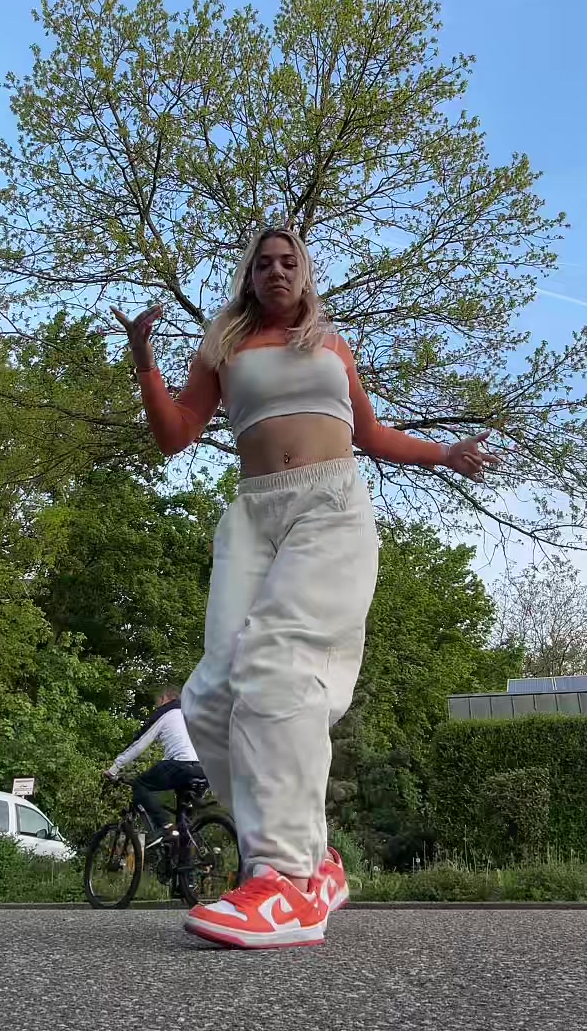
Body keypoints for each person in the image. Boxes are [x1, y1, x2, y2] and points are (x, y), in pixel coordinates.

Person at [111, 228, 499, 949]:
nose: (276, 270)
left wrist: (445, 453)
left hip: (329, 505)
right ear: (248, 277)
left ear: (305, 273)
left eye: (289, 261)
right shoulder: (224, 345)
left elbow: (373, 436)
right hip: (254, 516)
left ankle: (284, 879)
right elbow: (175, 435)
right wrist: (144, 363)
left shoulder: (331, 344)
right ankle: (315, 860)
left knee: (278, 666)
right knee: (212, 695)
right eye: (263, 263)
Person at [104, 686, 207, 847]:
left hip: (181, 765)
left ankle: (165, 827)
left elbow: (139, 744)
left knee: (141, 785)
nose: (157, 706)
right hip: (204, 769)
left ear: (165, 698)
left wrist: (114, 769)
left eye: (158, 702)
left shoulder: (166, 713)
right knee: (184, 820)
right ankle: (186, 857)